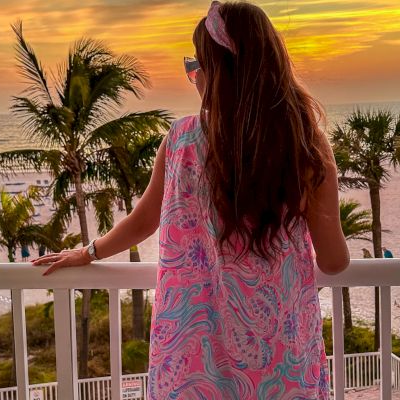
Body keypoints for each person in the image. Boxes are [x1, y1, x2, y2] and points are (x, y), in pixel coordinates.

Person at [33, 2, 349, 398]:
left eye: (196, 64)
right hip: (280, 358)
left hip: (192, 352)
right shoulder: (304, 146)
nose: (193, 76)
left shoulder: (181, 140)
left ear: (219, 73)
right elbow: (334, 262)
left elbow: (144, 221)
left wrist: (89, 252)